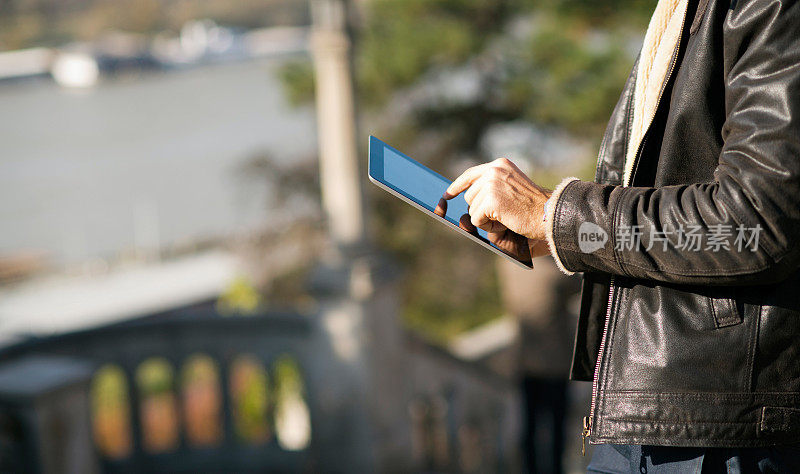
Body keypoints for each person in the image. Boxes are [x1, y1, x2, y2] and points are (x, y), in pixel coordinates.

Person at [442, 0, 800, 471]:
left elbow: (752, 224)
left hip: (710, 431)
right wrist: (555, 234)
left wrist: (556, 213)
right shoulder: (683, 11)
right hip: (657, 419)